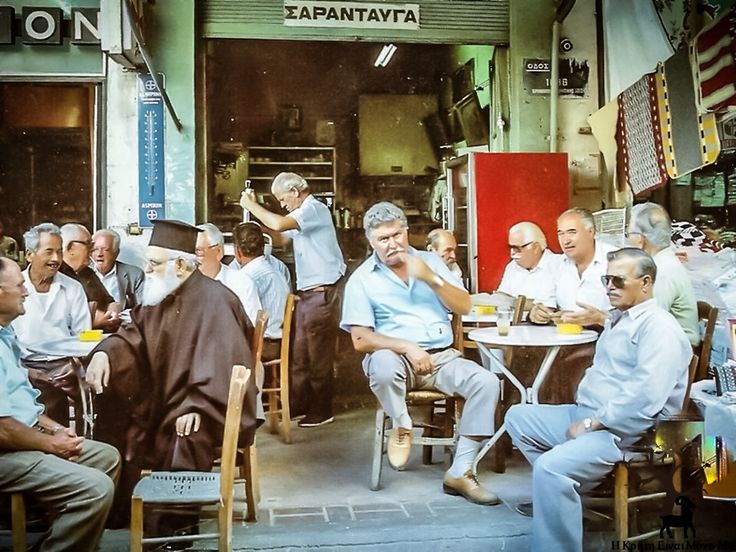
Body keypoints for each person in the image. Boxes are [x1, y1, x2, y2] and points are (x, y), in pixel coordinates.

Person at [505, 248, 692, 552]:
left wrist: (594, 422)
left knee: (549, 468)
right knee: (517, 417)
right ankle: (562, 500)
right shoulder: (620, 318)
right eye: (607, 279)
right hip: (591, 416)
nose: (609, 287)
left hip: (626, 432)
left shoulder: (659, 328)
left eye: (618, 280)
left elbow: (645, 398)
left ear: (646, 283)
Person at [341, 202, 501, 506]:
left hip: (441, 358)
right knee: (382, 364)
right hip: (395, 358)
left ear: (407, 232)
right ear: (371, 242)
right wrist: (407, 347)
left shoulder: (430, 263)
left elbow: (464, 306)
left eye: (396, 235)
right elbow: (360, 339)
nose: (392, 244)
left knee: (486, 382)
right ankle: (402, 424)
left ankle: (461, 471)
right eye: (383, 239)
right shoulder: (362, 279)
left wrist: (431, 278)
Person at [0, 257, 121, 551]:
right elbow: (3, 429)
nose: (26, 291)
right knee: (96, 489)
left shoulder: (6, 334)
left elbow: (22, 406)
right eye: (20, 286)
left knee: (107, 457)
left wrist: (56, 430)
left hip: (22, 436)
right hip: (6, 452)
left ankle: (66, 539)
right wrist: (51, 444)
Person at [240, 171, 346, 427]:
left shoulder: (313, 209)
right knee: (299, 354)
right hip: (308, 293)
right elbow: (280, 238)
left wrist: (252, 206)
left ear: (295, 192)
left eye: (282, 199)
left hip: (322, 292)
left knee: (317, 356)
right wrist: (255, 219)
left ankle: (321, 410)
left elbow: (279, 225)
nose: (282, 205)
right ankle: (299, 403)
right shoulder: (301, 215)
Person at [11, 223, 91, 423]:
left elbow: (84, 335)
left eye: (59, 252)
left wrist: (75, 365)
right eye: (49, 252)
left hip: (63, 368)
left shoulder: (73, 288)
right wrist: (26, 371)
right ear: (29, 255)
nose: (56, 259)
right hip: (21, 367)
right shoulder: (10, 288)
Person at [627, 202, 700, 346]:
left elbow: (649, 321)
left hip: (677, 348)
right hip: (666, 342)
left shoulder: (662, 270)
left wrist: (604, 319)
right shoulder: (662, 261)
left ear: (641, 240)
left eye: (628, 234)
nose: (627, 240)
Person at [529, 207, 615, 327]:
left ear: (591, 232)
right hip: (564, 335)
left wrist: (600, 319)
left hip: (607, 334)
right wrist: (538, 314)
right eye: (561, 234)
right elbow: (545, 305)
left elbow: (633, 315)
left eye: (572, 232)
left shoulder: (616, 260)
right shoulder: (556, 264)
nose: (565, 241)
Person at [233, 221, 291, 361]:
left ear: (238, 251)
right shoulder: (278, 272)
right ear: (263, 248)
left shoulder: (245, 277)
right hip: (280, 343)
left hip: (260, 346)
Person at [59, 223, 120, 332]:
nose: (92, 250)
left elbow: (111, 302)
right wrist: (94, 322)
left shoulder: (87, 273)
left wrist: (112, 315)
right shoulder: (55, 274)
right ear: (71, 248)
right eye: (89, 245)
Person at [196, 222, 262, 323]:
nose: (192, 259)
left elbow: (250, 326)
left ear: (219, 252)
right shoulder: (182, 285)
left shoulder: (242, 284)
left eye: (198, 252)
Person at [496, 221, 562, 305]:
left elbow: (555, 305)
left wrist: (516, 303)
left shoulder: (559, 266)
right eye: (510, 247)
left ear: (535, 247)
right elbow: (503, 296)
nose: (512, 254)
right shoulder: (512, 266)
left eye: (517, 248)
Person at [91, 228, 145, 312]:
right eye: (95, 249)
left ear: (116, 253)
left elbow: (142, 309)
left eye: (105, 249)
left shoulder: (135, 274)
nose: (99, 254)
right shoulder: (83, 273)